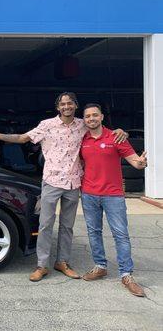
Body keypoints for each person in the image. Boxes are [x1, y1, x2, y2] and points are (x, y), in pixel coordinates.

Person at [0, 92, 127, 282]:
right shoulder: (47, 125)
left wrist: (120, 131)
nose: (66, 106)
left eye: (70, 103)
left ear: (75, 106)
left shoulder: (82, 124)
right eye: (63, 104)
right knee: (45, 225)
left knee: (67, 226)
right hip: (52, 182)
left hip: (74, 183)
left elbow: (101, 130)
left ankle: (62, 262)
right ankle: (41, 265)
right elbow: (23, 138)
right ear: (58, 107)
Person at [79, 103, 147, 297]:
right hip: (89, 194)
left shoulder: (115, 137)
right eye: (87, 116)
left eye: (94, 115)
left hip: (113, 195)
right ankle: (100, 266)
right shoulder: (82, 139)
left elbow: (134, 160)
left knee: (121, 235)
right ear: (84, 120)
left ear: (101, 117)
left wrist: (141, 163)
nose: (91, 119)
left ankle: (126, 274)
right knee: (93, 232)